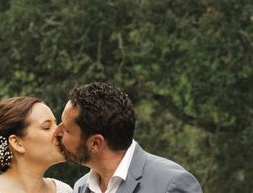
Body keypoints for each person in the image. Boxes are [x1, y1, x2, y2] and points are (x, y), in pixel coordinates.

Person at [55, 82, 202, 193]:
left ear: (95, 143)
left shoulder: (171, 184)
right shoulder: (81, 187)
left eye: (66, 129)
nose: (57, 131)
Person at [0, 96, 72, 193]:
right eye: (47, 127)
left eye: (56, 123)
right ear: (17, 143)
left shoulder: (65, 190)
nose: (59, 131)